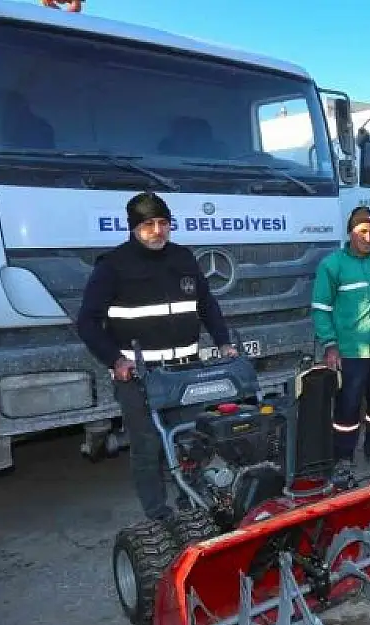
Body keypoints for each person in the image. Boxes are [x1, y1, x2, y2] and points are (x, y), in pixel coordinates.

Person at [76, 191, 238, 522]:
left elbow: (206, 305)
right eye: (148, 224)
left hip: (186, 371)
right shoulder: (113, 266)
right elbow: (87, 322)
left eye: (163, 223)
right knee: (147, 447)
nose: (157, 231)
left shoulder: (183, 258)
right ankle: (157, 514)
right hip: (140, 377)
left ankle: (191, 501)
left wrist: (224, 342)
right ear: (134, 228)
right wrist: (116, 361)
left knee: (192, 440)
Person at [311, 206, 370, 474]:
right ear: (351, 232)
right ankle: (343, 457)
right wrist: (329, 344)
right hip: (351, 350)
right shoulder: (332, 265)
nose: (369, 238)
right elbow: (321, 308)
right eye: (363, 231)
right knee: (348, 406)